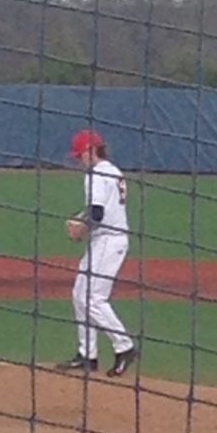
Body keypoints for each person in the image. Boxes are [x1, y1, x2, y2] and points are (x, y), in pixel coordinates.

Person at [56, 128, 136, 378]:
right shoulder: (113, 171)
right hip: (106, 240)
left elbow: (97, 214)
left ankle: (125, 347)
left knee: (93, 298)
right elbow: (100, 209)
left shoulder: (96, 174)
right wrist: (81, 218)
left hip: (108, 241)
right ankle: (87, 356)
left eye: (80, 155)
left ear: (91, 151)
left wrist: (80, 227)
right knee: (79, 294)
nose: (79, 160)